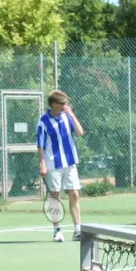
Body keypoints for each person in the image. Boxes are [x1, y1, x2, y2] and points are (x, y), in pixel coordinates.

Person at [37, 89, 85, 243]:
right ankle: (57, 231)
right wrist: (42, 164)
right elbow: (40, 145)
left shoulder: (66, 117)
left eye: (66, 103)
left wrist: (71, 114)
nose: (65, 105)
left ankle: (78, 230)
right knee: (55, 197)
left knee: (75, 194)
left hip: (70, 163)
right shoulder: (43, 120)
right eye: (62, 103)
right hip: (53, 164)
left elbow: (79, 132)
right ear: (53, 104)